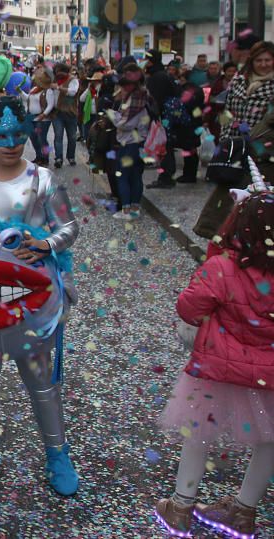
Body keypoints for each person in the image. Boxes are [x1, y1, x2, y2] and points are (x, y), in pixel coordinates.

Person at [0, 96, 80, 496]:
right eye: (0, 135)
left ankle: (57, 453)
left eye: (18, 134)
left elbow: (69, 226)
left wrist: (46, 244)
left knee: (40, 378)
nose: (10, 143)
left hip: (33, 299)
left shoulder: (42, 179)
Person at [154, 176, 274, 538]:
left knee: (199, 433)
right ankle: (243, 512)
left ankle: (180, 506)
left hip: (215, 371)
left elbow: (188, 308)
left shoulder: (222, 268)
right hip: (269, 376)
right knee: (269, 440)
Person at [194, 41, 274, 240]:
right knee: (228, 194)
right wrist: (225, 141)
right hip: (237, 147)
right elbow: (226, 112)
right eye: (259, 60)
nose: (264, 64)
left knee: (258, 201)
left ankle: (251, 243)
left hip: (264, 152)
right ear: (252, 62)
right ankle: (219, 236)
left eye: (268, 60)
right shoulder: (239, 81)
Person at [106, 63, 151, 220]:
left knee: (123, 175)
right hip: (140, 143)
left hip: (130, 143)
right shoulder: (143, 98)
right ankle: (134, 208)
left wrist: (112, 114)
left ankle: (126, 210)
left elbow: (125, 124)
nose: (122, 89)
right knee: (136, 176)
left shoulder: (135, 101)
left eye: (124, 86)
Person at [25, 68, 56, 166]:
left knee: (41, 138)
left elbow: (51, 104)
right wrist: (20, 92)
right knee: (33, 138)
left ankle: (45, 158)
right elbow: (27, 98)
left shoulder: (48, 91)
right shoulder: (34, 90)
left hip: (42, 119)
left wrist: (44, 114)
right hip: (31, 117)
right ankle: (39, 156)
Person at [51, 63, 80, 167]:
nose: (58, 74)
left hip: (70, 113)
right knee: (58, 136)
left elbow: (73, 92)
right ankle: (58, 158)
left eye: (60, 72)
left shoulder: (73, 80)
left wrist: (58, 88)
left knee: (72, 137)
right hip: (57, 113)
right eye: (56, 72)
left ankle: (71, 157)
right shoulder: (54, 81)